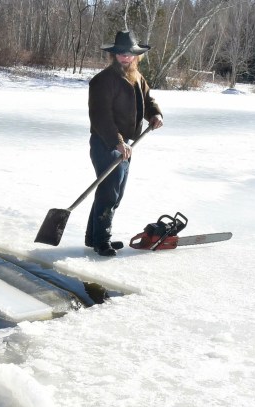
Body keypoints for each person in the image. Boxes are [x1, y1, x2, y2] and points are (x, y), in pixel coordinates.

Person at [86, 30, 164, 257]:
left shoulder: (137, 76)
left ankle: (94, 237)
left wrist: (154, 114)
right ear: (114, 55)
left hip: (126, 144)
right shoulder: (102, 81)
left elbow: (148, 100)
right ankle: (102, 241)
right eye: (120, 53)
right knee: (109, 192)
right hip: (105, 143)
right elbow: (100, 117)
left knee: (114, 192)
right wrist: (117, 142)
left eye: (129, 54)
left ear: (136, 56)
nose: (125, 57)